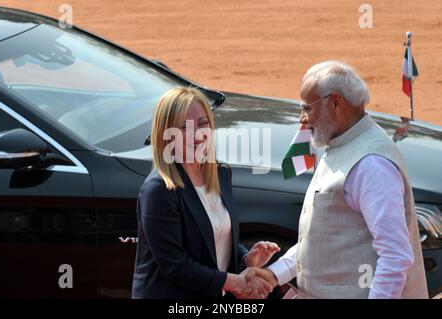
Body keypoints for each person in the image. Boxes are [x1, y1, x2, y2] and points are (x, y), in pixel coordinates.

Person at [253, 61, 428, 299]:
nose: (303, 119)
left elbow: (395, 257)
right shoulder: (342, 144)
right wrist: (274, 275)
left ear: (335, 103)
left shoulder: (371, 164)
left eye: (307, 108)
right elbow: (325, 240)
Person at [131, 86, 280, 299]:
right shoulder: (159, 190)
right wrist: (234, 282)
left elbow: (213, 239)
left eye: (203, 124)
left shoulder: (220, 173)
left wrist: (246, 259)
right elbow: (175, 265)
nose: (198, 135)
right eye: (184, 127)